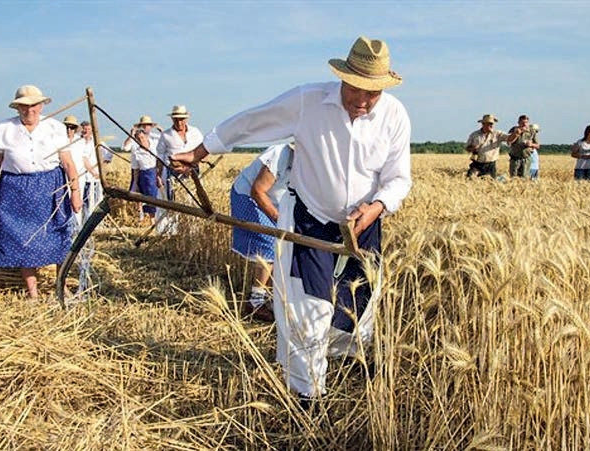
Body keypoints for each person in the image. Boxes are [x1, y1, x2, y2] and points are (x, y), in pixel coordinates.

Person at [170, 36, 412, 401]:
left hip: (363, 227)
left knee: (358, 307)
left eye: (372, 93)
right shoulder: (308, 101)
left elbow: (398, 178)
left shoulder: (394, 115)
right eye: (355, 89)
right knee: (308, 310)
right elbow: (253, 121)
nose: (361, 101)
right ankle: (307, 395)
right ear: (342, 77)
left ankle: (347, 362)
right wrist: (201, 152)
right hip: (310, 222)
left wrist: (376, 207)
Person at [0, 85, 82, 299]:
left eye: (34, 105)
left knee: (59, 235)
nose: (30, 111)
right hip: (15, 191)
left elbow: (68, 163)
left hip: (51, 187)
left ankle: (61, 286)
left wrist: (75, 192)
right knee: (21, 239)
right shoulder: (4, 129)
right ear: (17, 107)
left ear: (41, 105)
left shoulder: (54, 127)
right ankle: (33, 292)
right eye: (24, 106)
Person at [231, 143, 294, 322]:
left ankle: (276, 297)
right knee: (269, 242)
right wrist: (278, 218)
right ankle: (255, 302)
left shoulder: (311, 164)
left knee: (285, 246)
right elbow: (257, 190)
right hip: (248, 196)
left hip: (276, 201)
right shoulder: (280, 154)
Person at [156, 105, 204, 201]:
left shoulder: (195, 132)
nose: (179, 122)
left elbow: (203, 151)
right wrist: (158, 176)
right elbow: (160, 157)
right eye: (176, 119)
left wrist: (190, 167)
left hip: (193, 173)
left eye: (181, 119)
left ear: (186, 119)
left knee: (193, 200)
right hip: (173, 174)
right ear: (172, 119)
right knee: (174, 199)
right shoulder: (166, 135)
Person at [123, 115, 160, 223]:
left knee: (153, 194)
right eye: (144, 125)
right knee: (139, 193)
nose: (146, 127)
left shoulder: (154, 138)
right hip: (140, 170)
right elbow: (125, 147)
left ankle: (153, 218)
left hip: (153, 170)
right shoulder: (135, 141)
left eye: (148, 125)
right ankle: (142, 217)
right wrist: (131, 135)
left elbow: (162, 150)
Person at [79, 120, 102, 214]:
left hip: (94, 179)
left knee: (94, 202)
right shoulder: (78, 142)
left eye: (88, 129)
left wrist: (100, 170)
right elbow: (83, 159)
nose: (86, 131)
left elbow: (108, 156)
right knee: (83, 203)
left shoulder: (97, 142)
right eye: (84, 129)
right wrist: (92, 171)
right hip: (81, 178)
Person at [507, 114, 540, 179]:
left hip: (526, 159)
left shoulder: (531, 131)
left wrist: (531, 145)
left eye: (526, 122)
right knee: (513, 178)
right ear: (518, 123)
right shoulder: (513, 130)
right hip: (515, 159)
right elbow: (508, 142)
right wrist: (516, 134)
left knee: (524, 178)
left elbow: (538, 145)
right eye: (522, 122)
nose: (524, 124)